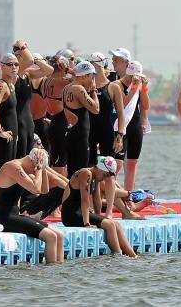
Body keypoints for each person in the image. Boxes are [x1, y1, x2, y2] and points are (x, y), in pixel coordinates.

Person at [0, 148, 64, 263]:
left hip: (14, 216)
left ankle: (59, 273)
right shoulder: (12, 167)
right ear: (32, 161)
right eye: (36, 166)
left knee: (59, 235)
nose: (34, 171)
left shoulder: (26, 169)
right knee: (51, 237)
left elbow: (44, 190)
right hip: (2, 218)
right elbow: (36, 190)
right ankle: (51, 273)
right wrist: (38, 169)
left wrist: (43, 169)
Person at [60, 156, 137, 257]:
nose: (105, 178)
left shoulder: (95, 177)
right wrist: (87, 223)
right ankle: (118, 255)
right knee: (110, 225)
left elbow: (97, 200)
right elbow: (85, 200)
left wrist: (100, 217)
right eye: (105, 175)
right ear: (100, 168)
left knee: (115, 224)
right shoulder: (85, 174)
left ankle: (133, 256)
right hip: (71, 215)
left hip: (81, 213)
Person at [112, 57, 148, 190]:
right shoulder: (116, 85)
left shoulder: (138, 85)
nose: (135, 79)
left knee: (133, 163)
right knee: (118, 163)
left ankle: (128, 196)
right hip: (121, 126)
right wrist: (133, 88)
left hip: (135, 125)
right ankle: (108, 190)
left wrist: (143, 88)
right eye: (133, 76)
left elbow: (145, 105)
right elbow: (121, 105)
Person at [11, 42, 53, 156]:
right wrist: (23, 48)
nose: (21, 59)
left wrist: (37, 60)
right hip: (19, 122)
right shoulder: (14, 74)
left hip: (31, 123)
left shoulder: (28, 74)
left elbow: (49, 71)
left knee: (37, 156)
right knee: (21, 156)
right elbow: (28, 60)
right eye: (18, 57)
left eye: (22, 56)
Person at [62, 61, 100, 175]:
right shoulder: (78, 89)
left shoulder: (67, 88)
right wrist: (93, 90)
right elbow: (96, 109)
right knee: (82, 173)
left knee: (72, 173)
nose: (93, 80)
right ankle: (79, 193)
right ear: (85, 76)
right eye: (92, 77)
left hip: (70, 136)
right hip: (80, 139)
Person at [86, 52, 125, 166]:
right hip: (88, 132)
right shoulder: (85, 86)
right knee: (89, 168)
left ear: (97, 65)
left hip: (106, 132)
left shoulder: (113, 87)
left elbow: (121, 113)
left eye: (90, 63)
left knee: (106, 170)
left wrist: (120, 136)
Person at [42, 51, 73, 173]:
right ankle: (59, 190)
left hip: (54, 122)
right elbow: (82, 79)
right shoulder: (62, 82)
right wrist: (69, 69)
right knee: (61, 160)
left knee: (54, 158)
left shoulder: (46, 81)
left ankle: (54, 188)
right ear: (62, 67)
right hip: (61, 122)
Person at [0, 53, 20, 177]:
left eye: (16, 64)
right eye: (10, 64)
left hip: (11, 138)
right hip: (4, 138)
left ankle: (2, 197)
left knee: (8, 175)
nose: (14, 67)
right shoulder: (1, 86)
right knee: (1, 174)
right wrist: (0, 131)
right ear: (2, 67)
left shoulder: (11, 85)